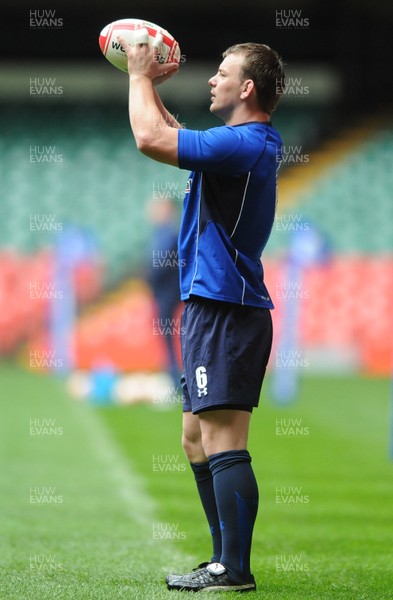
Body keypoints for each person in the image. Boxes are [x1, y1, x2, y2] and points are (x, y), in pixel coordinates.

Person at [118, 33, 285, 593]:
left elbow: (150, 139)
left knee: (223, 439)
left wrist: (139, 75)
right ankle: (220, 560)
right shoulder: (241, 142)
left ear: (247, 88)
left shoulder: (246, 142)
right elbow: (174, 134)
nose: (211, 79)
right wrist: (155, 88)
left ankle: (233, 569)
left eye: (221, 72)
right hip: (212, 307)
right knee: (195, 438)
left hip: (227, 308)